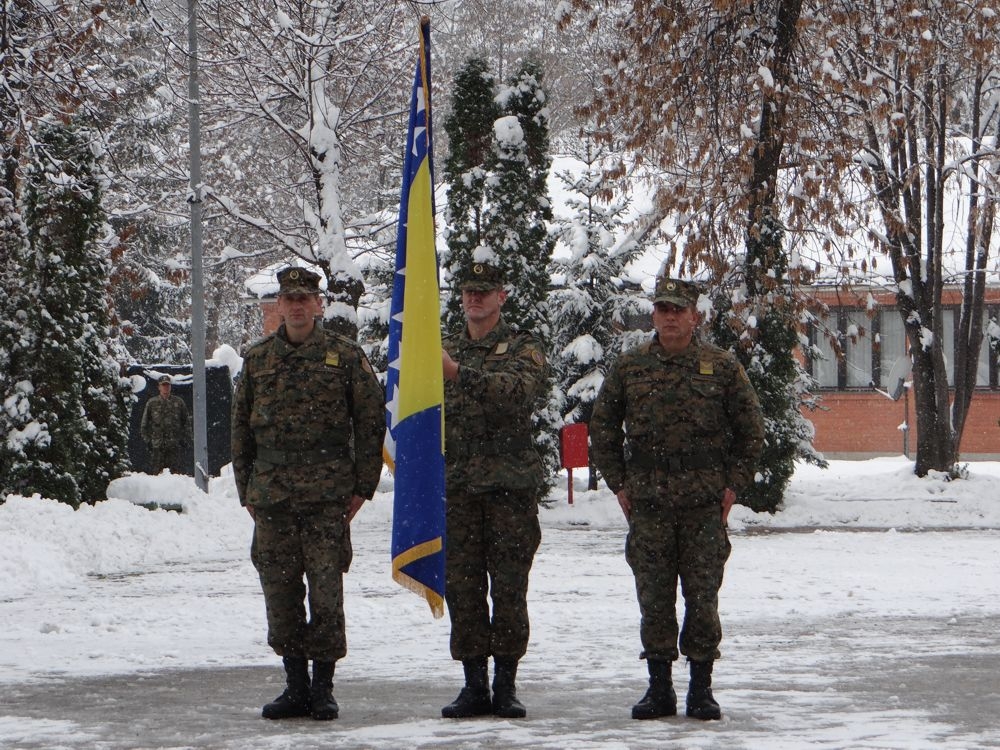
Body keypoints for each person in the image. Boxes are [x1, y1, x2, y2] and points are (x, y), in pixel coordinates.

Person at [590, 276, 765, 722]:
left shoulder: (721, 366)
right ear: (654, 315)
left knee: (702, 597)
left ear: (694, 316)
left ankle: (701, 689)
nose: (670, 317)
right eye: (662, 309)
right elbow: (603, 428)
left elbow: (751, 430)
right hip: (648, 503)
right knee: (654, 598)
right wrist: (618, 484)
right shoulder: (630, 368)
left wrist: (733, 486)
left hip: (704, 504)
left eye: (678, 310)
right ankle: (659, 688)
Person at [231, 266, 385, 721]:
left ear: (319, 305)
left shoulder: (346, 357)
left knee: (325, 592)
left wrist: (362, 487)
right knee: (279, 591)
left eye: (305, 299)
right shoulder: (257, 360)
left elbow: (371, 420)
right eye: (289, 299)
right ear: (279, 306)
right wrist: (247, 491)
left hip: (326, 496)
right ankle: (294, 684)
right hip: (273, 495)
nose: (297, 307)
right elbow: (240, 430)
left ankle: (323, 687)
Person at [439, 261, 549, 720]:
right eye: (468, 291)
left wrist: (458, 374)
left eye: (484, 292)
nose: (475, 299)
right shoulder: (441, 347)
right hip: (459, 489)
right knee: (463, 588)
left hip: (508, 489)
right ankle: (472, 684)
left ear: (501, 297)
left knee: (508, 588)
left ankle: (505, 684)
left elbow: (520, 393)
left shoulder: (523, 346)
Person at [140, 374, 190, 474]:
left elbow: (186, 423)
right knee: (157, 474)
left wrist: (185, 438)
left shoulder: (178, 402)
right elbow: (144, 424)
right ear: (159, 387)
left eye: (168, 385)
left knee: (175, 474)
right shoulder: (152, 403)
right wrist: (148, 440)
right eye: (163, 385)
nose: (166, 387)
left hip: (174, 444)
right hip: (157, 445)